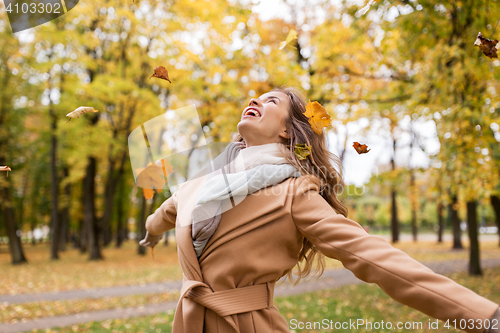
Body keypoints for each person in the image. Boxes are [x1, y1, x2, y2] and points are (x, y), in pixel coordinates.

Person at [140, 86, 500, 333]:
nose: (255, 99)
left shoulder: (295, 193)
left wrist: (486, 316)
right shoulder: (201, 185)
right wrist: (150, 233)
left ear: (286, 132)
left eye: (271, 101)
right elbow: (166, 214)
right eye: (255, 97)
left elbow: (375, 258)